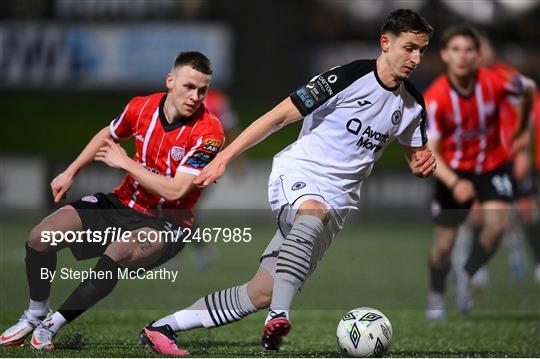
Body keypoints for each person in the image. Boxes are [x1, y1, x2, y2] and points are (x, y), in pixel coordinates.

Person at [138, 9, 435, 356]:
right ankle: (279, 315)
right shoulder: (347, 77)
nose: (416, 58)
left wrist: (421, 165)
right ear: (386, 43)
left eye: (422, 51)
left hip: (338, 203)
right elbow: (278, 116)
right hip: (300, 174)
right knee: (312, 212)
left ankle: (163, 327)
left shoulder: (413, 104)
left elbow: (416, 154)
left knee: (261, 291)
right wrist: (223, 157)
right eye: (410, 48)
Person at [0, 51, 224, 351]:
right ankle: (35, 313)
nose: (195, 96)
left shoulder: (209, 132)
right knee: (40, 237)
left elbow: (174, 192)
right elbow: (108, 134)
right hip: (122, 202)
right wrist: (70, 172)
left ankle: (53, 324)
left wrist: (127, 163)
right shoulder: (141, 106)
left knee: (116, 253)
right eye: (189, 86)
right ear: (170, 81)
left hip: (168, 222)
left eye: (202, 90)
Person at [424, 25, 536, 321]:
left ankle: (466, 273)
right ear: (445, 55)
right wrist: (454, 182)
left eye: (469, 50)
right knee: (443, 246)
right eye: (456, 50)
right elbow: (431, 151)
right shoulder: (436, 98)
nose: (463, 56)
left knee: (497, 226)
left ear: (478, 55)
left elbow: (528, 90)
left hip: (492, 165)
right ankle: (436, 294)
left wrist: (523, 130)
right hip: (453, 171)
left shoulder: (494, 82)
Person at [452, 36, 540, 286]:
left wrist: (524, 152)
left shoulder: (508, 77)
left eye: (481, 48)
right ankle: (470, 268)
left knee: (526, 209)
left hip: (509, 156)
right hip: (477, 160)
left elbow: (529, 111)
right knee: (478, 215)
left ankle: (535, 262)